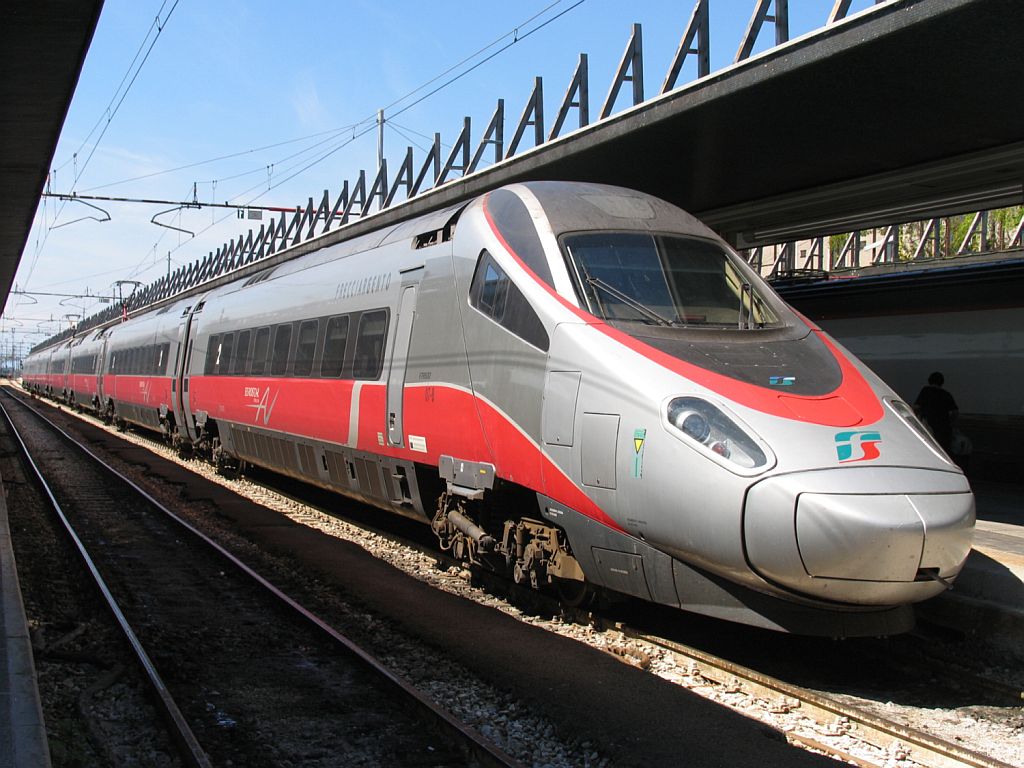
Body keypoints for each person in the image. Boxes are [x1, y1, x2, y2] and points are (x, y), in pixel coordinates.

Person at [914, 371, 958, 455]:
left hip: (929, 427)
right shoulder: (946, 394)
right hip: (944, 428)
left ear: (929, 380)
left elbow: (916, 407)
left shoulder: (926, 391)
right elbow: (955, 412)